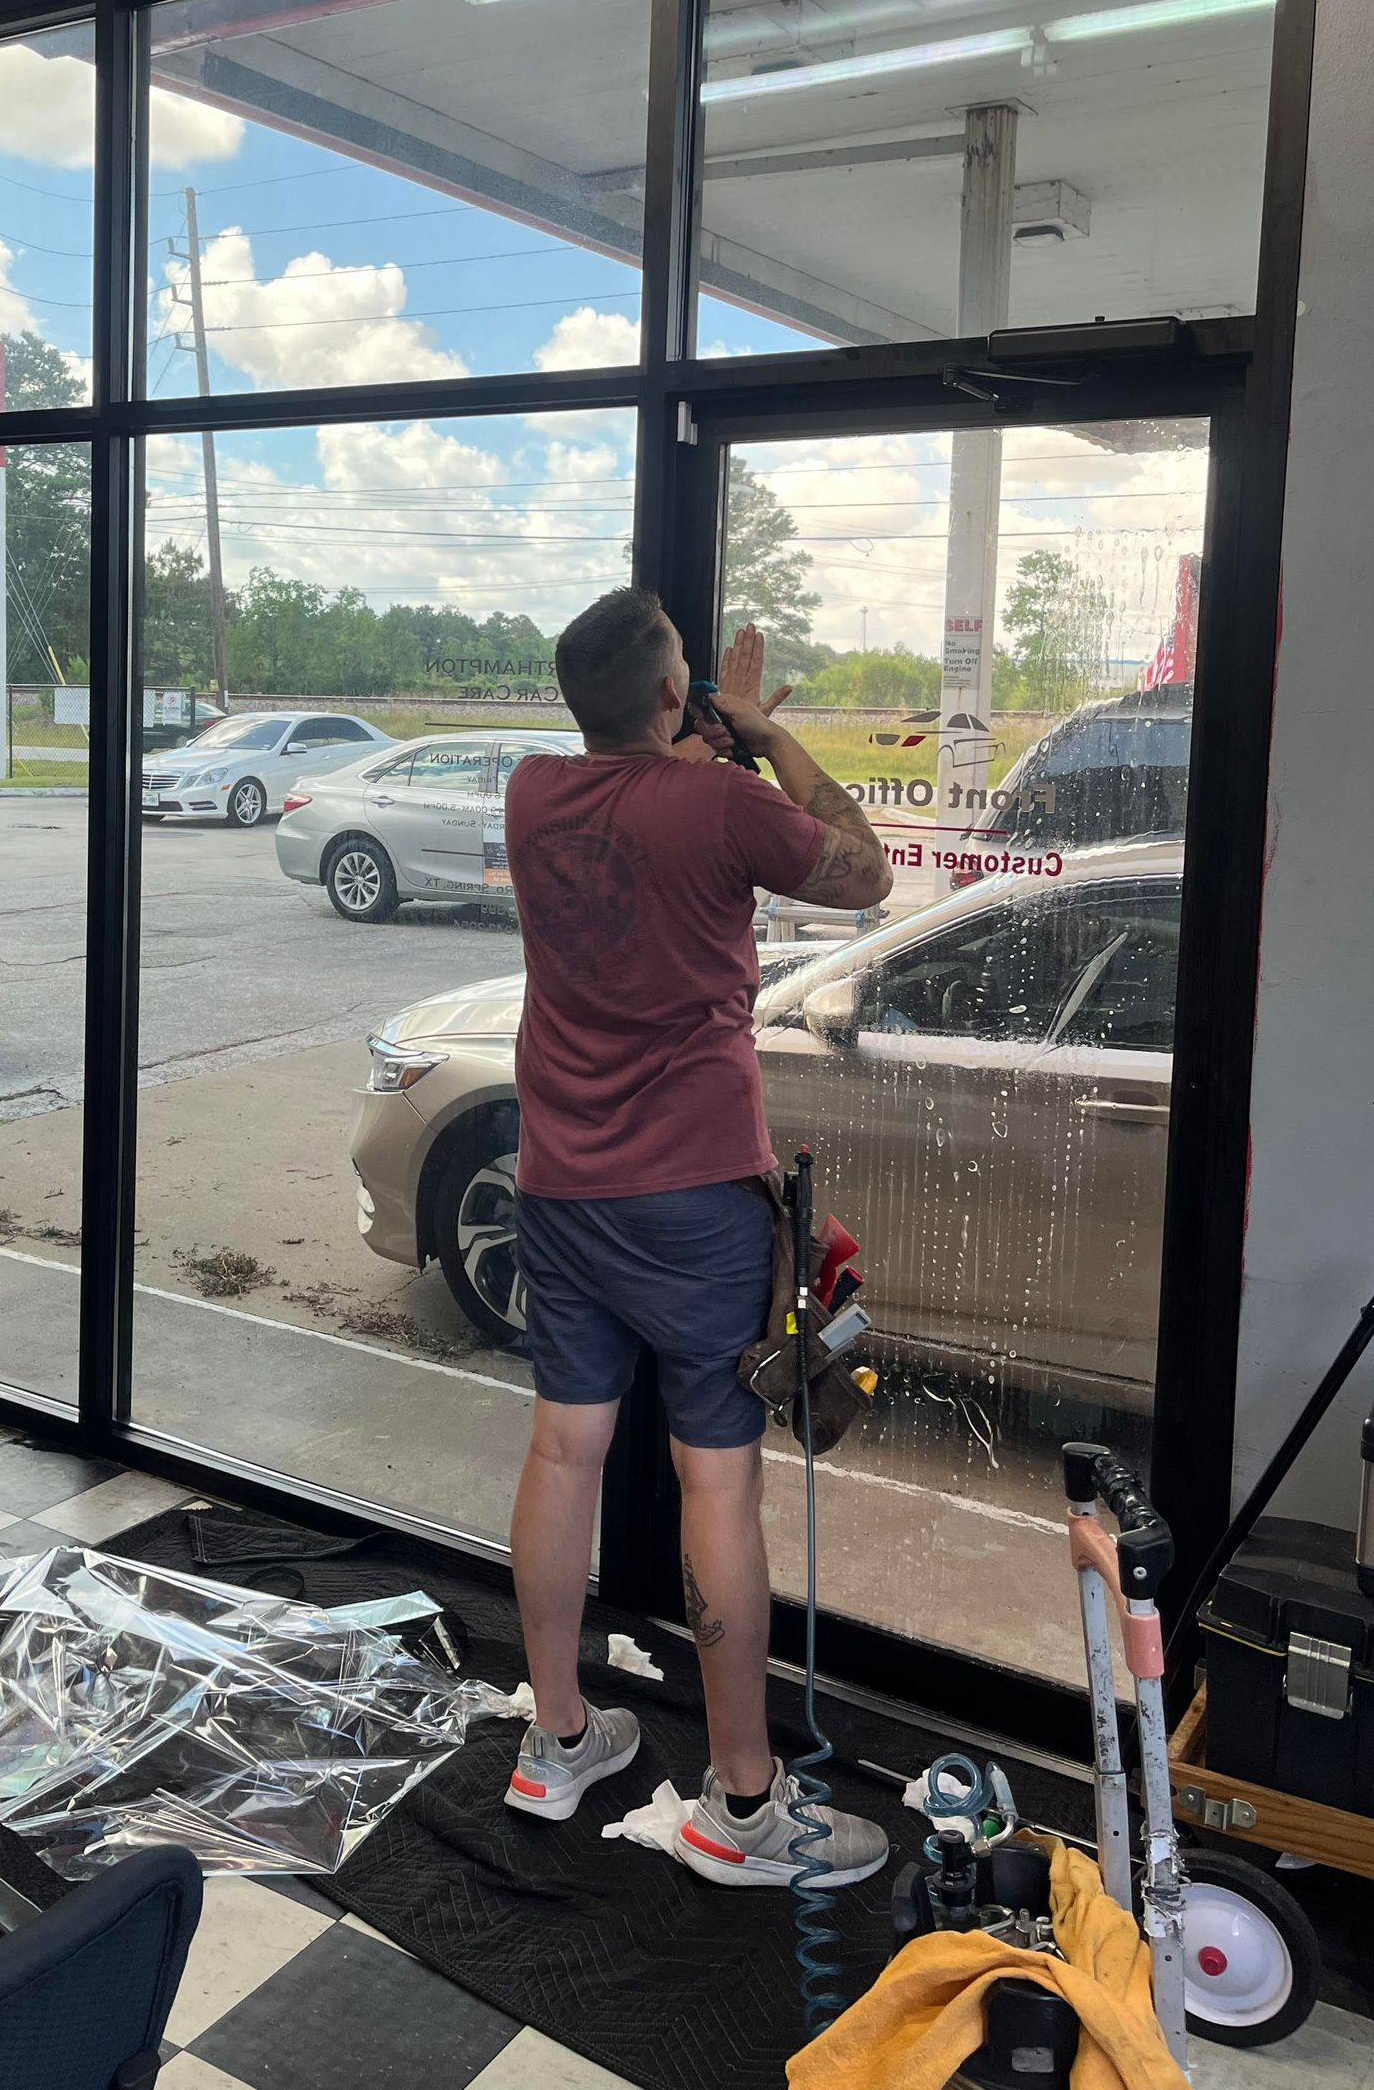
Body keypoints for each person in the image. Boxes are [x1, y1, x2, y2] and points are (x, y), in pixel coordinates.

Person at [499, 587, 894, 1887]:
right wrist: (769, 742)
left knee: (566, 1452)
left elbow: (637, 793)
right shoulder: (727, 802)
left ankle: (556, 1735)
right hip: (691, 1200)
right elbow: (865, 871)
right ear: (679, 699)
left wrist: (697, 735)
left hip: (559, 1183)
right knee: (717, 1482)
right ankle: (741, 1806)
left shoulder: (534, 793)